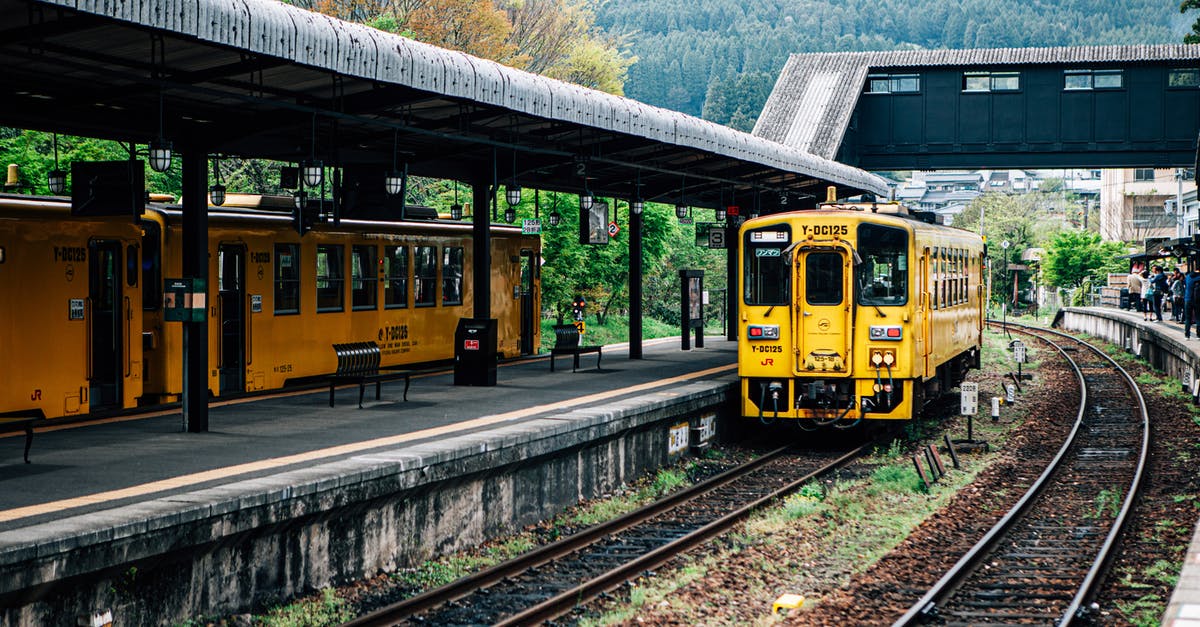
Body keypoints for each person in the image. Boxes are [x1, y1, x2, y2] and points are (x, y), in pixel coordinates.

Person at [1186, 266, 1200, 338]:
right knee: (1198, 317)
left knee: (1188, 318)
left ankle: (1187, 335)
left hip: (1188, 299)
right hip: (1197, 300)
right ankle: (1198, 334)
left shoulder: (1188, 276)